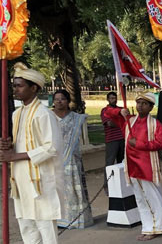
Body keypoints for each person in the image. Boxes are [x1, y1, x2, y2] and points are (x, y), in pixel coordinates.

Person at [0, 63, 63, 243]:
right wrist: (8, 146)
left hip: (40, 181)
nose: (15, 89)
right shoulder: (17, 114)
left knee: (45, 227)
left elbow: (51, 147)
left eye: (20, 85)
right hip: (20, 179)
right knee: (27, 227)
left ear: (34, 88)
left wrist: (14, 156)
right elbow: (21, 143)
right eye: (14, 85)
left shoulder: (44, 114)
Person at [105, 92, 162, 240]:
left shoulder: (155, 124)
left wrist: (139, 144)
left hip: (147, 168)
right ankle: (148, 227)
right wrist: (119, 111)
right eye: (138, 103)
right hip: (132, 167)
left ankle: (156, 228)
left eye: (144, 103)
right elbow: (107, 113)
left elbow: (159, 144)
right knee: (141, 200)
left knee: (151, 199)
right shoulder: (129, 121)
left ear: (151, 107)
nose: (140, 106)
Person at [52, 90, 93, 229]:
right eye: (56, 99)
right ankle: (58, 220)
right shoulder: (48, 117)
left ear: (68, 101)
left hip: (72, 160)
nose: (59, 101)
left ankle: (77, 220)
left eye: (62, 99)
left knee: (74, 189)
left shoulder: (76, 118)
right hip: (53, 160)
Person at [101, 91, 125, 191]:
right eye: (111, 98)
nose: (113, 100)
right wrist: (121, 122)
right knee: (110, 162)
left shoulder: (121, 109)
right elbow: (109, 123)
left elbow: (127, 120)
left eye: (114, 98)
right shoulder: (105, 111)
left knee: (122, 162)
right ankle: (107, 185)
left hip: (122, 139)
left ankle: (122, 183)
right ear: (108, 99)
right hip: (111, 140)